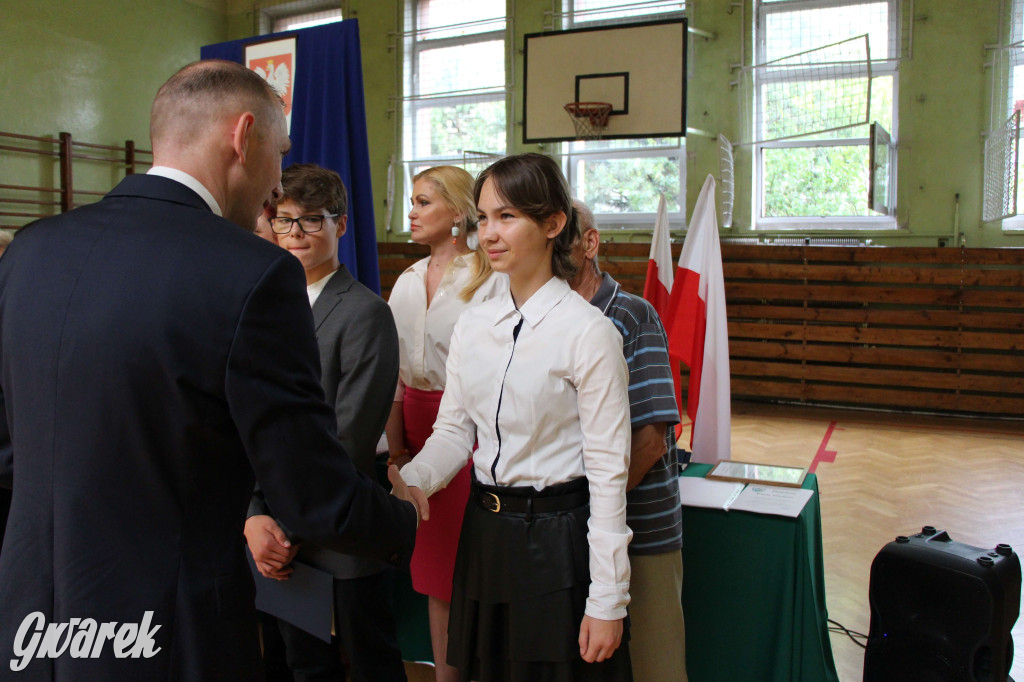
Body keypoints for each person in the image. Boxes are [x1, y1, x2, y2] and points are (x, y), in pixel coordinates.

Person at [0, 59, 418, 679]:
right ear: (243, 136)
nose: (277, 188)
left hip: (34, 615)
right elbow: (310, 492)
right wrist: (406, 522)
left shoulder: (32, 250)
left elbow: (9, 451)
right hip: (165, 625)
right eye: (278, 153)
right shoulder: (250, 272)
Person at [396, 153, 634, 682]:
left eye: (508, 217)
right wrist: (410, 480)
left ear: (552, 225)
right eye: (483, 218)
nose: (489, 233)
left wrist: (608, 597)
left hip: (557, 539)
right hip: (485, 532)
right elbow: (455, 431)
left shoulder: (589, 333)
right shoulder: (475, 322)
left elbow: (608, 473)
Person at [245, 163, 406, 681]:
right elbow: (248, 423)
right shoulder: (261, 304)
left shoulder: (364, 313)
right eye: (284, 220)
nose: (295, 234)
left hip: (336, 529)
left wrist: (285, 522)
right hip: (269, 529)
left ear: (340, 225)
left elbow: (350, 435)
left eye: (312, 221)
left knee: (367, 663)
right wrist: (254, 516)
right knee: (295, 664)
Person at [384, 165, 504, 682]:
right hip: (412, 420)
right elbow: (392, 372)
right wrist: (395, 448)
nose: (411, 211)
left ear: (458, 212)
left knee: (472, 569)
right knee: (434, 574)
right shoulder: (407, 280)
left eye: (424, 201)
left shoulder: (486, 276)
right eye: (411, 201)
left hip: (469, 426)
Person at [568, 200, 687, 681]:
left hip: (640, 528)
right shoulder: (545, 318)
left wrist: (594, 507)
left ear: (590, 243)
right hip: (578, 526)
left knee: (653, 663)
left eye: (562, 239)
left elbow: (651, 440)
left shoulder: (633, 315)